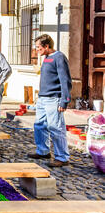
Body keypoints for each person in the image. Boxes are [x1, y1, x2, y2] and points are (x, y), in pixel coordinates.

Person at [28, 34, 72, 167]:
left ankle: (62, 158)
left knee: (56, 128)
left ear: (47, 46)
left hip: (54, 99)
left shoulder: (59, 57)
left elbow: (65, 80)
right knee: (39, 125)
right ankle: (43, 151)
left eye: (38, 48)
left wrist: (64, 100)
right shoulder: (47, 58)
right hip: (42, 98)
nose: (37, 50)